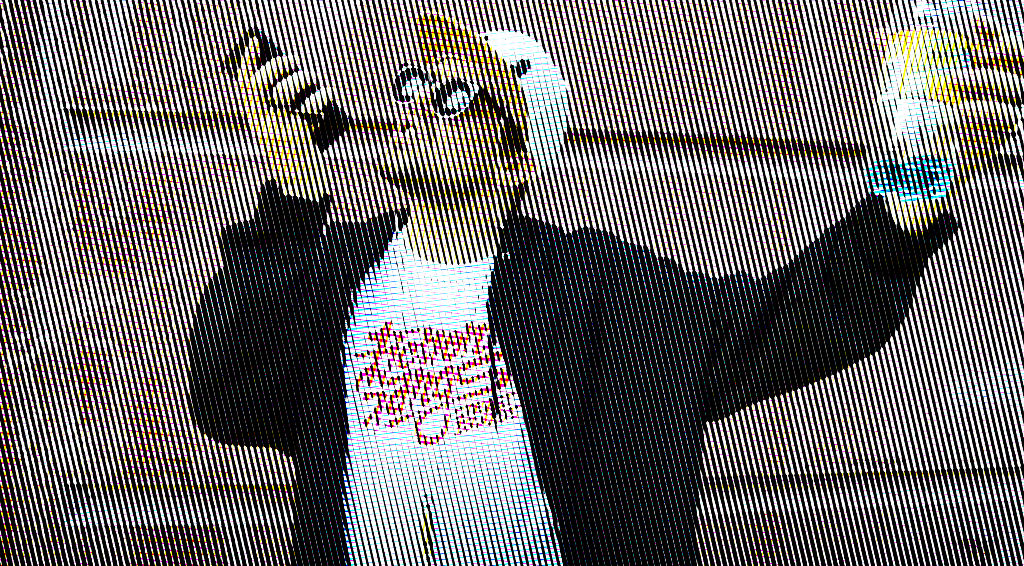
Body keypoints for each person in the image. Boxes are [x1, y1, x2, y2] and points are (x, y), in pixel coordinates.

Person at [187, 11, 1024, 566]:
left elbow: (794, 318)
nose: (414, 107)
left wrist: (920, 178)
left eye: (456, 95)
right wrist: (290, 201)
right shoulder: (334, 273)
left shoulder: (600, 292)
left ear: (519, 158)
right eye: (410, 83)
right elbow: (227, 399)